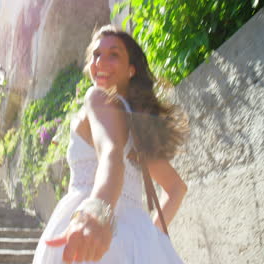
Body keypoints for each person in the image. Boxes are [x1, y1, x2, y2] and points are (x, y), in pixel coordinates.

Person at [32, 25, 190, 264]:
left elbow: (111, 154)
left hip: (96, 237)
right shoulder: (137, 127)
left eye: (113, 54)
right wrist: (151, 237)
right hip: (134, 241)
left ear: (131, 70)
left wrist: (96, 210)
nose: (101, 61)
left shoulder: (96, 96)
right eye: (96, 55)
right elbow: (177, 188)